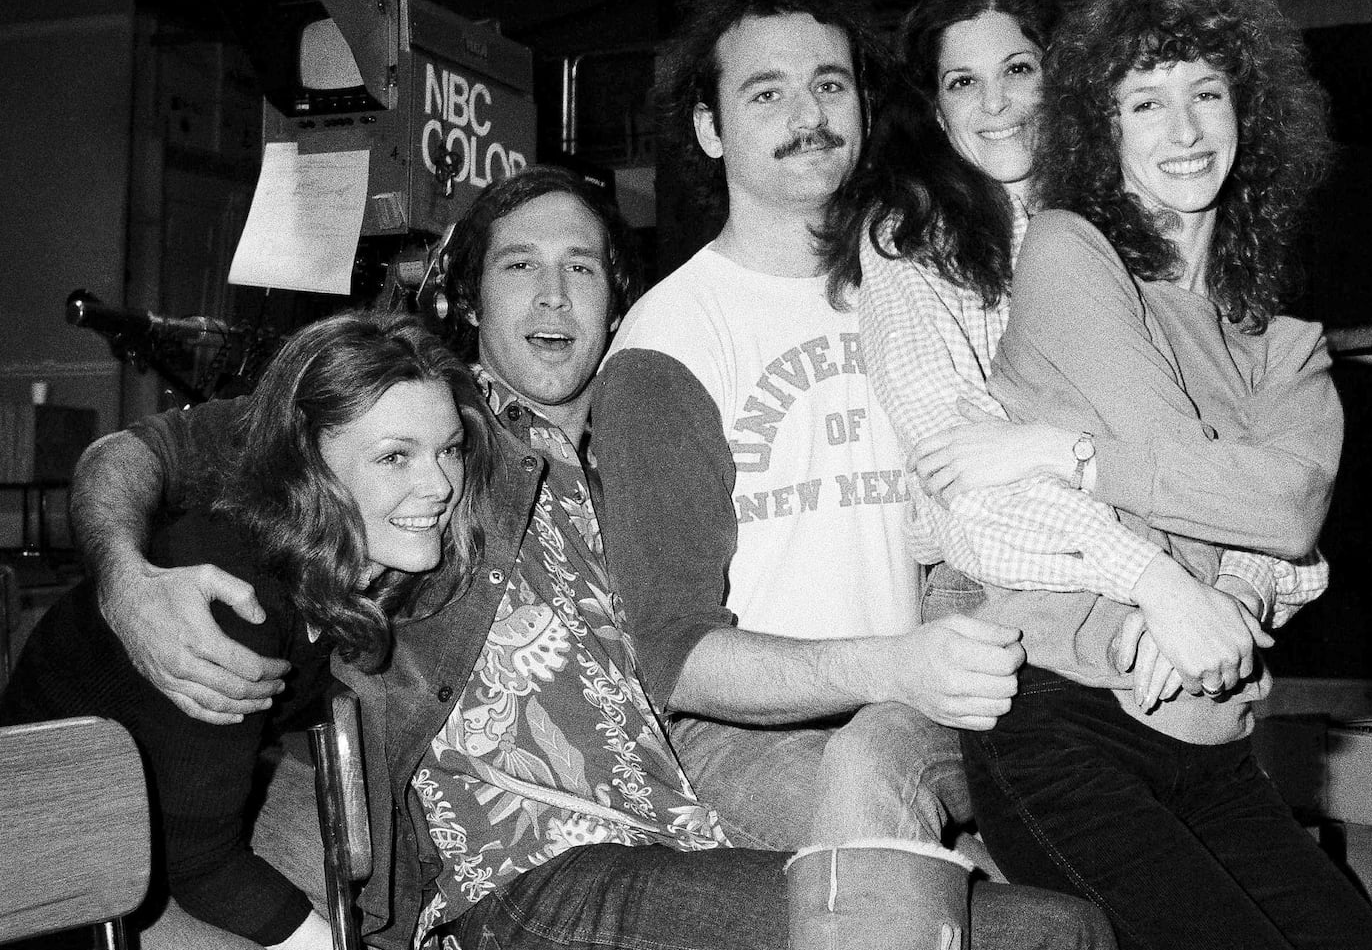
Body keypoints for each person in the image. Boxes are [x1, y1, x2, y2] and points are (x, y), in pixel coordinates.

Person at [68, 164, 1111, 950]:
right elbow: (135, 453)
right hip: (527, 875)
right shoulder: (412, 422)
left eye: (582, 270)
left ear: (618, 300)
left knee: (1047, 917)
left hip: (688, 834)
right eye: (520, 267)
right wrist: (124, 578)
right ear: (471, 300)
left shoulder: (648, 444)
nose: (556, 297)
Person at [852, 0, 1372, 949]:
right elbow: (971, 491)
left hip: (1190, 699)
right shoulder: (949, 242)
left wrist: (1212, 576)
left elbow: (1286, 517)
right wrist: (1159, 579)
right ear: (930, 109)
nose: (999, 102)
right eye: (963, 82)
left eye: (1018, 67)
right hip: (1013, 639)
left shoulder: (1210, 286)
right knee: (863, 786)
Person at [592, 0, 1112, 946]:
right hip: (764, 737)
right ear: (706, 126)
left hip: (956, 691)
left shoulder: (921, 273)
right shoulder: (669, 342)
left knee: (1110, 884)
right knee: (1015, 920)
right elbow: (676, 658)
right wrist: (892, 664)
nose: (808, 115)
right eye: (766, 93)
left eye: (830, 84)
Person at [1, 310, 495, 949]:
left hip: (148, 849)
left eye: (448, 449)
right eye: (395, 457)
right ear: (309, 467)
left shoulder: (338, 568)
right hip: (50, 881)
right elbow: (203, 864)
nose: (438, 485)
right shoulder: (235, 592)